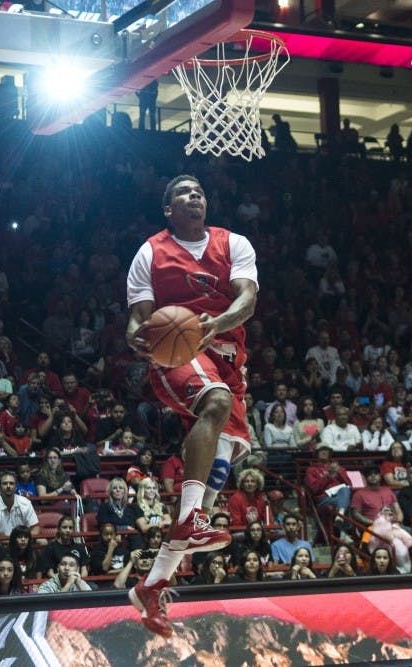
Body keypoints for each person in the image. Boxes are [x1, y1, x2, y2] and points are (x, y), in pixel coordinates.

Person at [126, 174, 259, 637]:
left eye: (199, 191)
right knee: (214, 401)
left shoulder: (234, 243)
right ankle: (188, 520)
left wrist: (218, 321)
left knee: (214, 480)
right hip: (176, 350)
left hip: (228, 356)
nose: (194, 196)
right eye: (184, 192)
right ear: (168, 209)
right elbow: (138, 319)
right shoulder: (149, 253)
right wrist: (133, 336)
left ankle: (153, 585)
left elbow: (248, 300)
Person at [0, 471, 40, 538]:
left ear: (16, 487)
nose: (8, 486)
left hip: (22, 541)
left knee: (42, 542)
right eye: (5, 483)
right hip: (1, 544)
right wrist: (13, 542)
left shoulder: (26, 503)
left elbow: (36, 528)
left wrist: (22, 540)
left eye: (11, 483)